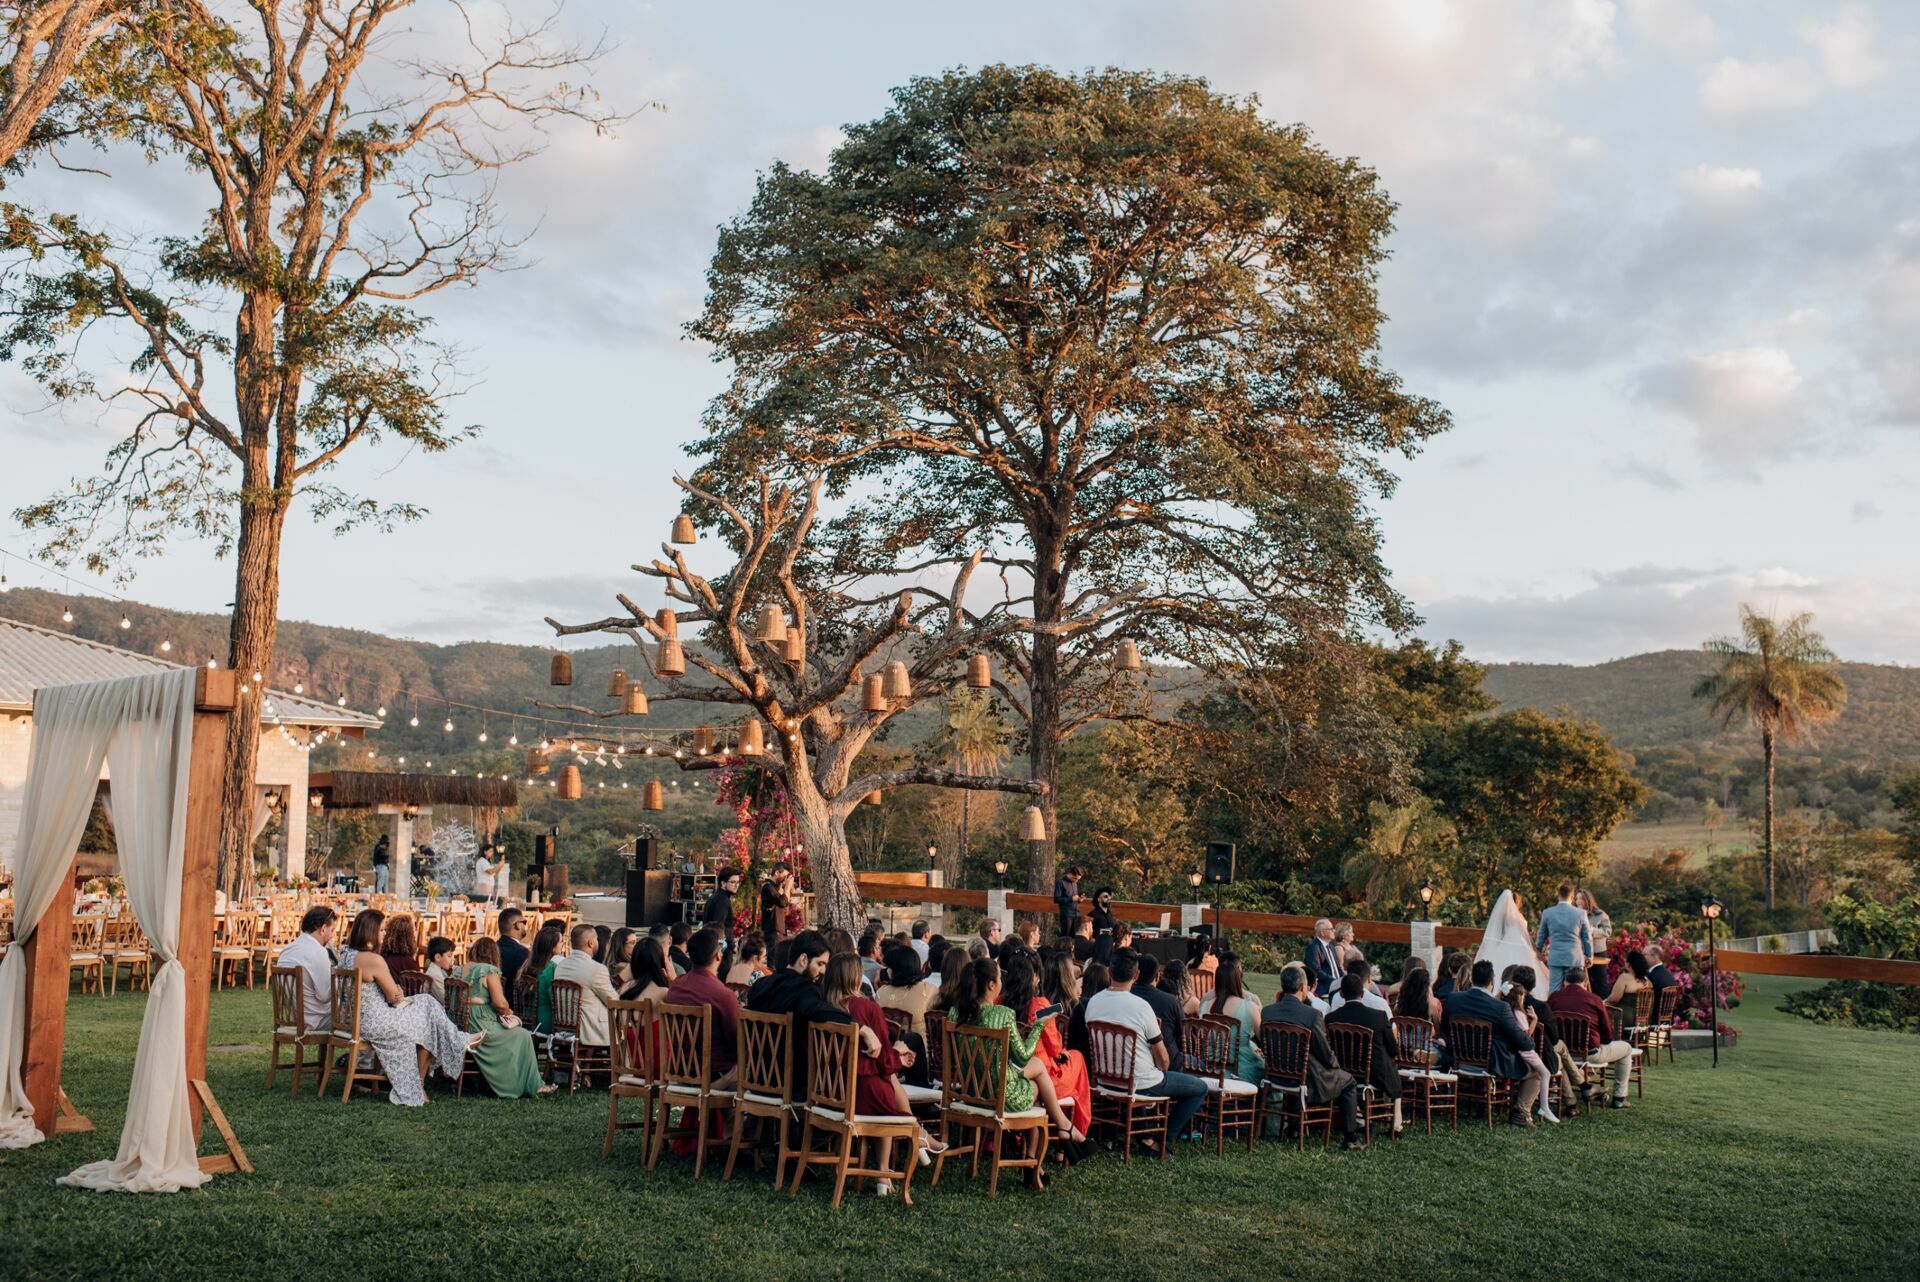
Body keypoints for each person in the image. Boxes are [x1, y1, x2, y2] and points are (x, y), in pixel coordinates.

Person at [819, 952, 945, 1183]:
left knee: (886, 1079)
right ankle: (911, 1141)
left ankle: (890, 1167)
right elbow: (885, 1063)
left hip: (831, 1092)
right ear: (856, 978)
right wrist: (898, 1055)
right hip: (864, 1094)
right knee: (887, 1080)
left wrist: (895, 1056)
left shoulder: (823, 1009)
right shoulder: (866, 1008)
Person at [345, 909, 482, 1106]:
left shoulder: (347, 955)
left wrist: (396, 993)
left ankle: (456, 1042)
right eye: (381, 930)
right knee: (427, 1012)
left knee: (425, 1004)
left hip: (358, 1019)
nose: (384, 934)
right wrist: (397, 992)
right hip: (377, 1023)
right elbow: (393, 997)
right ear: (370, 932)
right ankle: (459, 1040)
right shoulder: (373, 960)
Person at [950, 957, 1084, 1144]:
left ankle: (1059, 1131)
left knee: (1036, 1069)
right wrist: (1039, 1025)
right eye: (999, 978)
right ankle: (1054, 1136)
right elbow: (1022, 1058)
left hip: (970, 1092)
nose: (1002, 982)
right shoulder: (1002, 1014)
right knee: (1037, 1083)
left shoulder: (955, 1013)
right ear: (991, 985)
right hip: (1000, 1095)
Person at [1084, 951, 1207, 1146]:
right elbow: (1163, 1060)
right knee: (1200, 1088)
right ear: (1136, 975)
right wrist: (1160, 1069)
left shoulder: (1093, 1002)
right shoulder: (1141, 1007)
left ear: (1109, 972)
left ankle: (1145, 1135)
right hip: (1139, 1082)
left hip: (1104, 1081)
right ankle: (1163, 1142)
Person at [745, 930, 875, 1101]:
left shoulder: (760, 985)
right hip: (793, 1088)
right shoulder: (805, 989)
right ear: (803, 959)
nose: (823, 971)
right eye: (820, 964)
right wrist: (861, 1027)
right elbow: (818, 1009)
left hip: (755, 1081)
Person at [1262, 966, 1363, 1148]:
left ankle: (1294, 1128)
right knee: (1348, 1081)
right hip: (1306, 1079)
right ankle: (1351, 1137)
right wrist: (1335, 1065)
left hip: (1275, 1075)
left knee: (1298, 1065)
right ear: (1303, 987)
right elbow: (1324, 1052)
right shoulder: (1312, 1015)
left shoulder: (1267, 1012)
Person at [1441, 959, 1543, 1126]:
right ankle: (1520, 1112)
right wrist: (1530, 1038)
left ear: (1472, 978)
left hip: (1458, 1059)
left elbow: (1445, 1028)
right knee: (1536, 1071)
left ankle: (1482, 1104)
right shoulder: (1500, 1007)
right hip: (1491, 1063)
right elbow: (1522, 1041)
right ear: (1492, 981)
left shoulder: (1453, 999)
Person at [454, 937, 554, 1098]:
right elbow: (500, 1004)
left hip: (461, 1023)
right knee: (523, 1035)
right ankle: (531, 1085)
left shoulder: (459, 970)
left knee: (516, 1034)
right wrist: (508, 1012)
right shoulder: (488, 970)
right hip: (481, 1025)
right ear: (494, 954)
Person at [1006, 949, 1090, 1137]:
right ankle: (1077, 1127)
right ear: (1035, 977)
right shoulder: (1041, 1005)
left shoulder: (999, 1003)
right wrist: (1061, 1051)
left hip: (1012, 1070)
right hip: (1044, 1075)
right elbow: (1054, 1049)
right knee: (1077, 1058)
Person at [1325, 970, 1404, 1133]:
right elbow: (1393, 1048)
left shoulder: (1331, 1018)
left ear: (1341, 994)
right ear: (1362, 993)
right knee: (1392, 1069)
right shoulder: (1379, 1017)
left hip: (1344, 1071)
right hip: (1375, 1072)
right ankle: (1395, 1123)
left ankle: (1359, 1118)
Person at [1548, 965, 1636, 1109]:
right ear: (1584, 983)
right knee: (1626, 1048)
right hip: (1590, 1054)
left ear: (1565, 981)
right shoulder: (1594, 999)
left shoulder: (1554, 998)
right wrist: (1602, 1041)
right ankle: (1619, 1097)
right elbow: (1607, 1033)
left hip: (1561, 1054)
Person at [663, 928, 740, 1087]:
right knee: (754, 1069)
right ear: (718, 955)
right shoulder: (723, 995)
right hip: (715, 1077)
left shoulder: (675, 987)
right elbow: (736, 1046)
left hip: (680, 1072)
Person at [551, 923, 621, 1069]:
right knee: (628, 1019)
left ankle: (586, 1072)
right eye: (596, 939)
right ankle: (624, 1070)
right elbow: (613, 1001)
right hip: (590, 1028)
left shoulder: (561, 966)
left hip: (565, 1025)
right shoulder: (597, 969)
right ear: (590, 942)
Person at [1499, 967, 1560, 1124]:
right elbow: (1526, 1036)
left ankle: (1543, 1107)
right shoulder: (1520, 1012)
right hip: (1525, 1052)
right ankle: (1541, 1107)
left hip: (1508, 1052)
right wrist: (1534, 1020)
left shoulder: (1503, 1008)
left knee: (1543, 1073)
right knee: (1543, 1073)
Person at [1204, 951, 1265, 1085]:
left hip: (1209, 1067)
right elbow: (1264, 1039)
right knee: (1265, 1071)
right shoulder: (1249, 1006)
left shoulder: (1204, 1005)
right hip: (1240, 1071)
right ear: (1237, 979)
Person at [277, 905, 338, 1032]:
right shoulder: (318, 952)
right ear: (323, 929)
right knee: (359, 1013)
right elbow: (325, 996)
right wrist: (338, 979)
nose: (332, 936)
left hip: (291, 1018)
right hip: (315, 1020)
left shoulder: (287, 950)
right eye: (331, 930)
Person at [1535, 881, 1593, 995]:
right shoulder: (1581, 913)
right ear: (1572, 896)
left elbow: (1541, 935)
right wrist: (1589, 955)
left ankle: (1554, 1007)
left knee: (1554, 990)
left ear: (1558, 895)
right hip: (1574, 958)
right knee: (1575, 991)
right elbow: (1587, 937)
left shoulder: (1547, 913)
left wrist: (1538, 950)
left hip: (1555, 957)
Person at [1474, 890, 1539, 987]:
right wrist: (1535, 949)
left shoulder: (1503, 916)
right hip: (1520, 944)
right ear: (1517, 902)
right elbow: (1526, 935)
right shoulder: (1518, 917)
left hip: (1505, 943)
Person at [874, 945, 934, 1037]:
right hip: (919, 1044)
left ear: (897, 971)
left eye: (889, 968)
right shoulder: (927, 990)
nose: (887, 971)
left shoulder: (881, 992)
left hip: (887, 1043)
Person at [1135, 953, 1185, 1058]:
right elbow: (1183, 1035)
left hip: (1135, 1056)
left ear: (1135, 973)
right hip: (1168, 1059)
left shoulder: (1127, 995)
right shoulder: (1171, 1001)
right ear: (1158, 976)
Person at [526, 922, 566, 1033]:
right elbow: (555, 999)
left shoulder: (527, 965)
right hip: (545, 1022)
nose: (563, 944)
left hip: (526, 1018)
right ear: (552, 947)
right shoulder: (551, 969)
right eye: (561, 941)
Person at [701, 867, 742, 957]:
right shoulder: (722, 900)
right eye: (733, 882)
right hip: (720, 951)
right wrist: (731, 946)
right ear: (723, 883)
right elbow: (718, 926)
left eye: (738, 882)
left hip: (713, 947)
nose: (736, 885)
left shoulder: (717, 897)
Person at [624, 936, 675, 1003]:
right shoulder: (664, 993)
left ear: (634, 961)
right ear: (660, 961)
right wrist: (674, 980)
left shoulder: (624, 988)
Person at [1579, 890, 1613, 989]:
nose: (1578, 901)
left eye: (1581, 898)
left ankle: (1603, 999)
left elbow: (1608, 931)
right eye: (1576, 899)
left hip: (1598, 953)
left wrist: (1592, 930)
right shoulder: (1576, 915)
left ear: (1588, 900)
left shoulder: (1601, 914)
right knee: (1583, 984)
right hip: (1582, 954)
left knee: (1600, 984)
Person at [379, 914, 423, 981]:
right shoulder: (409, 963)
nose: (416, 933)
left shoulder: (382, 957)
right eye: (414, 930)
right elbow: (418, 985)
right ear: (408, 935)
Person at [1306, 918, 1342, 999]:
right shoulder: (1313, 947)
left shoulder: (1331, 947)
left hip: (1337, 985)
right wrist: (1335, 981)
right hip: (1325, 987)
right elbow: (1316, 970)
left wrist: (1345, 980)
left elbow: (1338, 968)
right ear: (1322, 932)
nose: (1334, 931)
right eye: (1331, 929)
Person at [496, 908, 530, 993]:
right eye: (524, 922)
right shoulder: (521, 952)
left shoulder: (492, 948)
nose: (525, 926)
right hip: (512, 999)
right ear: (517, 925)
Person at [758, 863, 791, 945]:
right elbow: (782, 903)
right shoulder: (768, 887)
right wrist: (787, 888)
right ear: (776, 873)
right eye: (784, 876)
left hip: (777, 930)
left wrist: (786, 889)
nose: (785, 879)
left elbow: (785, 902)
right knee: (774, 952)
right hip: (772, 930)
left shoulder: (775, 888)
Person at [1053, 865, 1083, 939]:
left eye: (1078, 879)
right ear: (1070, 874)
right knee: (1065, 938)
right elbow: (1056, 899)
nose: (1076, 881)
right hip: (1066, 915)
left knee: (1074, 938)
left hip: (1076, 914)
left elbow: (1074, 898)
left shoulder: (1075, 883)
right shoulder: (1060, 882)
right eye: (1075, 878)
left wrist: (1079, 899)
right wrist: (1071, 899)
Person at [423, 936, 455, 1002]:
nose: (452, 959)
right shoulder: (435, 975)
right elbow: (445, 1000)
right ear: (438, 957)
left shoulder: (436, 970)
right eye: (449, 956)